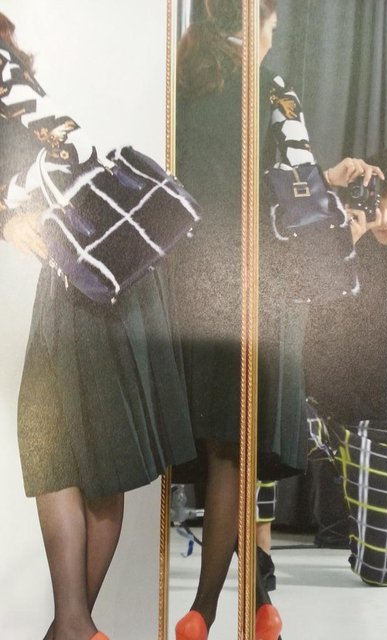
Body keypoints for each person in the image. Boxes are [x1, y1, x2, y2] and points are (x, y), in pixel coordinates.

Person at [172, 1, 382, 638]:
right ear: (256, 24)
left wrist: (322, 176)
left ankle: (248, 603)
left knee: (220, 449)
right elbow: (294, 200)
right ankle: (216, 607)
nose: (274, 35)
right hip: (258, 290)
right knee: (240, 453)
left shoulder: (183, 84)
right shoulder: (271, 89)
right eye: (272, 25)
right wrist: (331, 193)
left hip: (194, 284)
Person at [0, 13, 196, 640]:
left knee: (63, 453)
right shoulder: (23, 89)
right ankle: (74, 627)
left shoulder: (12, 88)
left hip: (84, 280)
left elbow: (45, 167)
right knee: (87, 457)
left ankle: (74, 627)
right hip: (109, 272)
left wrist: (7, 216)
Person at [305, 149, 387, 586]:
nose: (386, 219)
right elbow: (304, 316)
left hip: (374, 416)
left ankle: (380, 530)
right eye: (380, 205)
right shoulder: (345, 243)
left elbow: (381, 337)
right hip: (313, 403)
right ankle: (257, 560)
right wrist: (345, 244)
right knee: (253, 422)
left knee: (381, 572)